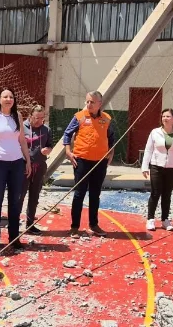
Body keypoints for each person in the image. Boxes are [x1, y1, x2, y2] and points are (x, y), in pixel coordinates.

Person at [62, 91, 117, 237]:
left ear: (100, 103)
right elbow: (67, 134)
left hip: (100, 162)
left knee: (95, 194)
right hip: (81, 160)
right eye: (87, 101)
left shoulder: (107, 119)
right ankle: (75, 227)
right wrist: (68, 151)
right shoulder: (79, 116)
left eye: (92, 102)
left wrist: (111, 153)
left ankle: (94, 225)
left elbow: (112, 137)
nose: (89, 104)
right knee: (79, 194)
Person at [0, 88, 31, 251]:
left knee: (15, 202)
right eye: (5, 96)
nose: (8, 99)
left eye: (11, 97)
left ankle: (14, 238)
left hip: (17, 163)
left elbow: (22, 140)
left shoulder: (18, 116)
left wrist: (27, 160)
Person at [141, 108, 173, 231]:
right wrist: (145, 166)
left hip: (172, 168)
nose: (165, 118)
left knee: (167, 194)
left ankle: (165, 220)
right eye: (163, 116)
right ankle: (150, 219)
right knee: (155, 193)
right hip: (156, 166)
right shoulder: (154, 132)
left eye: (168, 116)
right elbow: (148, 150)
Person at [20, 105, 52, 234]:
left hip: (39, 166)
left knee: (34, 196)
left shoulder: (46, 130)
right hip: (23, 166)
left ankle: (30, 224)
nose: (39, 121)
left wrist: (48, 150)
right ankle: (14, 222)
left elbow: (50, 145)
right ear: (30, 116)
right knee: (19, 195)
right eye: (36, 118)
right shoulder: (21, 127)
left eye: (42, 118)